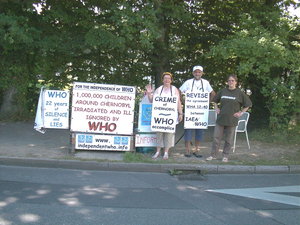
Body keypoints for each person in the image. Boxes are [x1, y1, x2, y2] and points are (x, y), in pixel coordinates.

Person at [206, 74, 252, 162]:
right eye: (229, 80)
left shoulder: (239, 93)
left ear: (236, 82)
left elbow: (248, 104)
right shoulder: (223, 91)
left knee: (229, 139)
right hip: (221, 119)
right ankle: (213, 155)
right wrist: (216, 108)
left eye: (232, 81)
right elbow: (215, 100)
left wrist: (241, 112)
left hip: (232, 120)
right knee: (216, 138)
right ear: (227, 82)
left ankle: (225, 156)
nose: (230, 82)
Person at [145, 72, 183, 160]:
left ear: (171, 80)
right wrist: (149, 93)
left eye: (168, 78)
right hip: (159, 116)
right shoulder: (159, 89)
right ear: (162, 80)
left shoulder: (174, 90)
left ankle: (166, 152)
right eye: (165, 78)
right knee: (159, 134)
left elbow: (178, 102)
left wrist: (180, 113)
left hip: (170, 116)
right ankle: (157, 151)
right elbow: (152, 101)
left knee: (169, 134)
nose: (167, 80)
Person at [179, 65, 215, 157]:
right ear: (193, 73)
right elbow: (179, 92)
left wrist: (207, 103)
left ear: (202, 73)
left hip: (201, 112)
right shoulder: (188, 82)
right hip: (190, 110)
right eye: (195, 72)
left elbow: (213, 93)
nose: (197, 73)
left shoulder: (206, 83)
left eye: (199, 72)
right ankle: (187, 150)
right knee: (188, 130)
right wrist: (183, 101)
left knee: (200, 131)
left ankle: (197, 150)